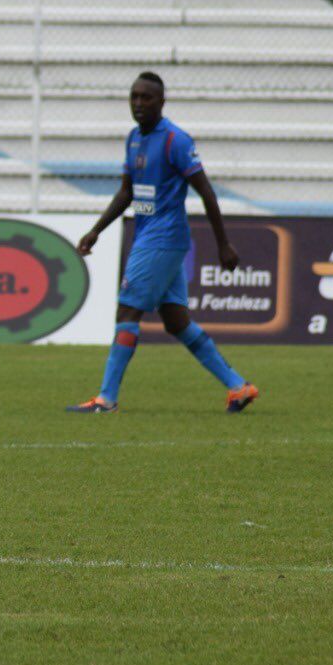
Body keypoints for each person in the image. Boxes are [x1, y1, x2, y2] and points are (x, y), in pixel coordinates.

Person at [67, 72, 260, 415]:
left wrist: (223, 244)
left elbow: (206, 192)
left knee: (128, 310)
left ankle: (106, 399)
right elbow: (127, 192)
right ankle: (238, 386)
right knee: (176, 322)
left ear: (162, 102)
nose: (139, 104)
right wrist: (97, 230)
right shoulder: (133, 139)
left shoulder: (175, 140)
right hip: (151, 237)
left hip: (163, 238)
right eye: (135, 97)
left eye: (147, 98)